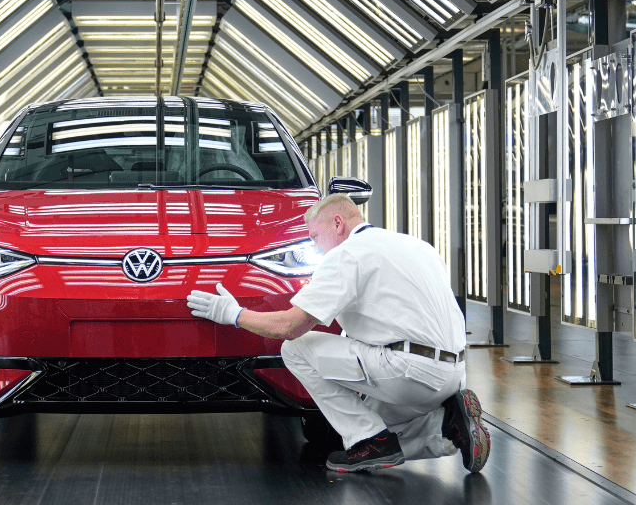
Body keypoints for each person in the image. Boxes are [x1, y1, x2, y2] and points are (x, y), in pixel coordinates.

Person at [186, 193, 489, 473]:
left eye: (314, 237)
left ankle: (371, 440)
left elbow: (289, 326)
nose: (316, 247)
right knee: (375, 428)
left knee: (297, 349)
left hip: (409, 373)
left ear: (337, 223)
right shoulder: (417, 246)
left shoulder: (346, 254)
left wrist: (234, 314)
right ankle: (449, 428)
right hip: (454, 375)